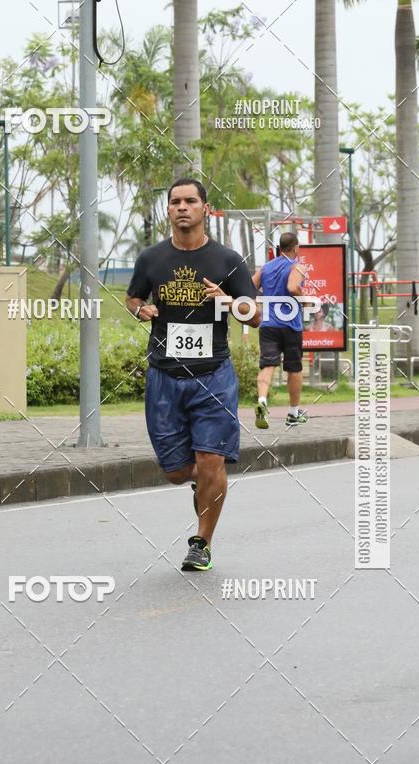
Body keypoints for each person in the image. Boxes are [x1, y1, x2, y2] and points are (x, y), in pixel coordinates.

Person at [126, 178, 260, 571]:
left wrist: (230, 301)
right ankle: (197, 484)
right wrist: (140, 309)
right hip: (164, 378)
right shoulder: (151, 259)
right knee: (177, 472)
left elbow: (256, 316)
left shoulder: (227, 260)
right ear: (168, 210)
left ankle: (202, 542)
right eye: (175, 202)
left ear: (205, 208)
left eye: (190, 201)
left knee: (210, 461)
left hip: (213, 375)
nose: (182, 207)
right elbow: (134, 296)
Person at [252, 232, 309, 429]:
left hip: (268, 325)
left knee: (268, 365)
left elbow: (250, 286)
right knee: (294, 368)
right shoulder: (297, 266)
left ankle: (262, 401)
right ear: (295, 248)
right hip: (290, 325)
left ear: (280, 248)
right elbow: (293, 287)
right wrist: (305, 299)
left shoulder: (266, 267)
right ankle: (293, 413)